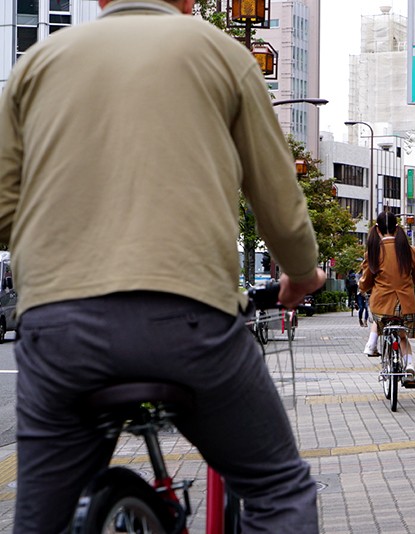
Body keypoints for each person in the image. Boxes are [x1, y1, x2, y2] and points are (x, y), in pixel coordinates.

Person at [0, 0, 325, 531]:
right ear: (189, 1)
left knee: (42, 520)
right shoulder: (222, 54)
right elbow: (279, 203)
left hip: (59, 329)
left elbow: (2, 210)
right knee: (277, 488)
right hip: (189, 322)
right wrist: (302, 273)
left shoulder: (37, 62)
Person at [359, 212, 415, 388]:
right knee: (403, 336)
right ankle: (410, 366)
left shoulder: (373, 252)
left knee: (377, 318)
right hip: (406, 304)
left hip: (381, 303)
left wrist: (362, 288)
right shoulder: (409, 250)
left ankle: (371, 343)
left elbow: (366, 280)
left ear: (377, 229)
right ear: (397, 228)